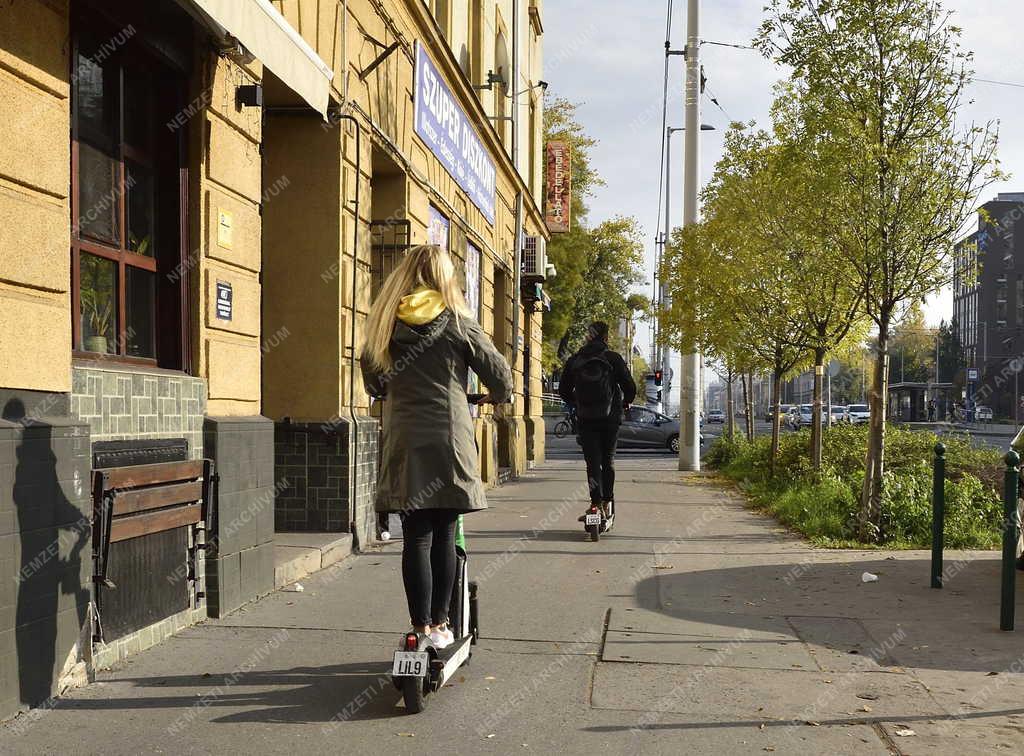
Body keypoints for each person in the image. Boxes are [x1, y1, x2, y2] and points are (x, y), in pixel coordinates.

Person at [362, 244, 513, 648]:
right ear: (446, 277)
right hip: (449, 440)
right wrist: (499, 395)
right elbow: (498, 372)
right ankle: (443, 626)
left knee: (415, 536)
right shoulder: (458, 321)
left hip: (405, 440)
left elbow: (372, 378)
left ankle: (419, 626)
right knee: (446, 532)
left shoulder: (384, 322)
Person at [558, 321, 637, 520]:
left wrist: (578, 404)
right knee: (607, 460)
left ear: (588, 336)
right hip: (610, 419)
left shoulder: (575, 360)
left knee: (592, 462)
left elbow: (563, 391)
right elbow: (630, 387)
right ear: (606, 337)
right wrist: (625, 402)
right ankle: (607, 500)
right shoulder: (613, 359)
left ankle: (595, 503)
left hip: (586, 418)